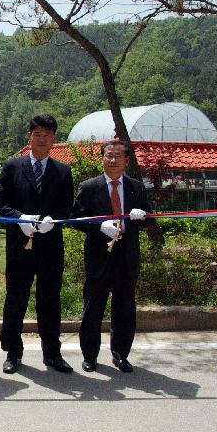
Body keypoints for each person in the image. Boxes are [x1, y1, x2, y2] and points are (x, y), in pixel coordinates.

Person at [0, 114, 75, 374]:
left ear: (54, 139)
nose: (41, 140)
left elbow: (67, 207)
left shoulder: (63, 171)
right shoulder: (11, 166)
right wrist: (20, 218)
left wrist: (56, 219)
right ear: (29, 137)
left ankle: (52, 352)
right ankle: (12, 352)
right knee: (16, 298)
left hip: (51, 246)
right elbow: (1, 204)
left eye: (47, 135)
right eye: (36, 135)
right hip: (20, 245)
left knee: (50, 299)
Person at [71, 140, 151, 373]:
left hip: (126, 255)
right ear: (102, 158)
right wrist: (99, 226)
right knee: (93, 307)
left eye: (118, 156)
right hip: (99, 254)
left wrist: (142, 216)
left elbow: (149, 218)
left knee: (124, 308)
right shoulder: (89, 187)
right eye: (109, 156)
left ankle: (121, 354)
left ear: (127, 160)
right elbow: (76, 218)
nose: (113, 160)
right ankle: (89, 355)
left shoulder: (137, 187)